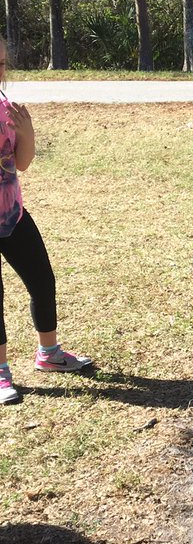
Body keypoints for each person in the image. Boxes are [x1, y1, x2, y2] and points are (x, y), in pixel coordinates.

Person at [0, 35, 92, 405]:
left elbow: (20, 162)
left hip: (12, 213)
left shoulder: (6, 106)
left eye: (2, 63)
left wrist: (27, 132)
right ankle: (1, 374)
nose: (0, 71)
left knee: (41, 278)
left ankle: (48, 353)